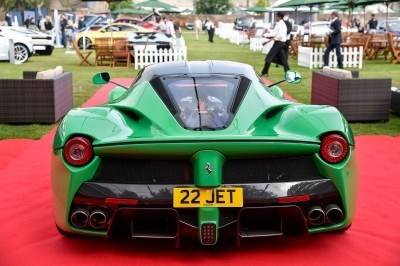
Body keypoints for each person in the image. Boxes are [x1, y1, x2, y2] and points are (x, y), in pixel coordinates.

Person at [261, 11, 290, 77]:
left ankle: (265, 72)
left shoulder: (280, 24)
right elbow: (275, 33)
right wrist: (269, 33)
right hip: (281, 43)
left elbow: (279, 35)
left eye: (276, 16)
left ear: (279, 17)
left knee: (269, 57)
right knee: (283, 59)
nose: (275, 17)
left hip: (279, 43)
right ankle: (288, 73)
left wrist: (266, 35)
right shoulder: (281, 24)